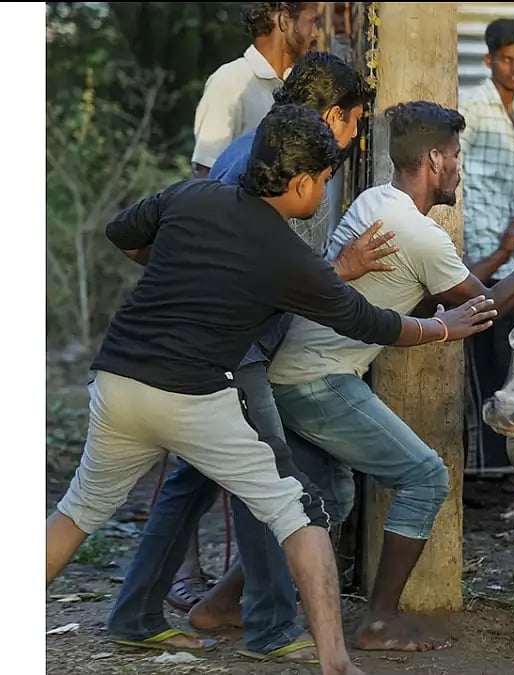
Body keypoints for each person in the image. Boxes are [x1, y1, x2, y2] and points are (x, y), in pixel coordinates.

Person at [46, 104, 498, 675]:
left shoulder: (191, 197)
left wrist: (182, 267)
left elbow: (122, 232)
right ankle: (335, 661)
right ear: (303, 181)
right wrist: (440, 328)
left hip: (116, 382)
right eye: (327, 181)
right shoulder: (288, 257)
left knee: (77, 511)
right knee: (300, 514)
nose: (327, 193)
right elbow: (368, 322)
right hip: (194, 400)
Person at [265, 100, 514, 652]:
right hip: (318, 379)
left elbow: (448, 289)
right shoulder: (417, 233)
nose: (460, 168)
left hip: (294, 371)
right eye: (455, 156)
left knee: (321, 497)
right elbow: (487, 307)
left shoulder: (377, 200)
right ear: (433, 160)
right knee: (425, 476)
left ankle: (225, 606)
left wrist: (511, 261)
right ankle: (379, 621)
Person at [105, 52, 387, 664]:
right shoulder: (265, 165)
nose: (356, 136)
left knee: (190, 484)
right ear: (331, 116)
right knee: (271, 479)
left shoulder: (263, 152)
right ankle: (270, 625)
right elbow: (243, 259)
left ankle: (134, 611)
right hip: (232, 352)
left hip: (229, 347)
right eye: (356, 121)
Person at [168, 2, 322, 608]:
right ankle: (192, 572)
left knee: (232, 445)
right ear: (282, 19)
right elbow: (207, 182)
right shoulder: (231, 83)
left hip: (266, 289)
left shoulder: (292, 90)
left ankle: (239, 584)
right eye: (310, 18)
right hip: (222, 288)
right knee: (198, 444)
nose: (314, 30)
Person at [458, 18, 514, 475]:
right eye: (507, 59)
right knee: (483, 371)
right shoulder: (472, 107)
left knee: (508, 366)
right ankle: (487, 472)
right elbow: (453, 174)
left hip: (503, 260)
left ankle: (504, 467)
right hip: (478, 262)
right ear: (489, 60)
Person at [191, 2, 320, 178]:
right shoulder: (230, 82)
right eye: (312, 21)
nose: (316, 33)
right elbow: (206, 175)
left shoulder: (298, 86)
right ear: (284, 21)